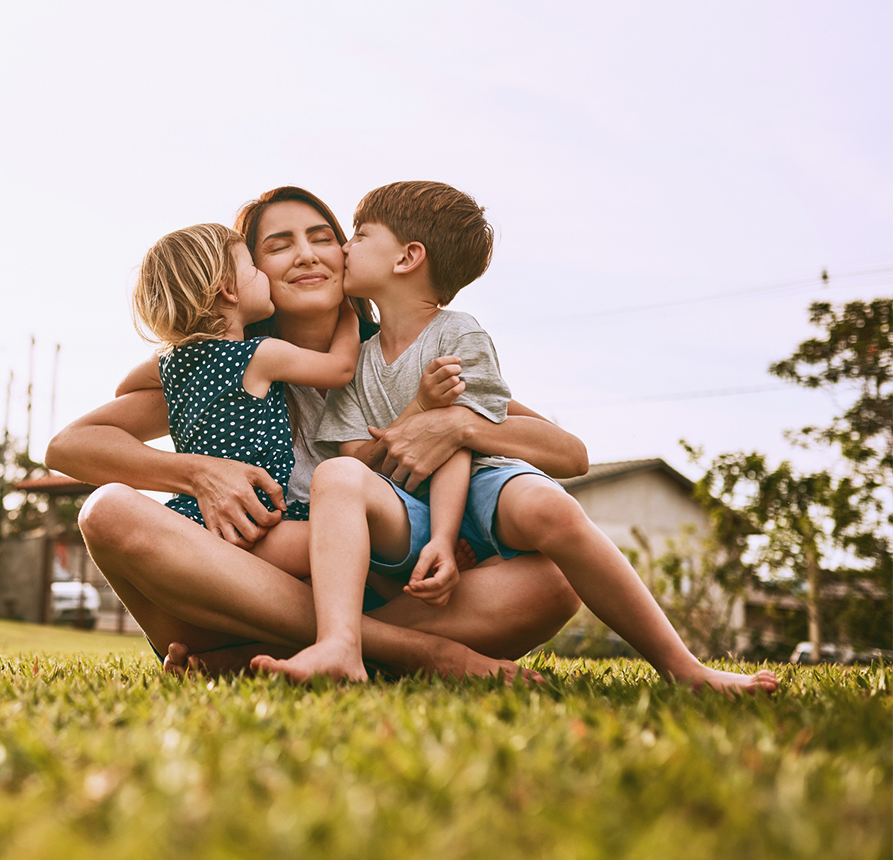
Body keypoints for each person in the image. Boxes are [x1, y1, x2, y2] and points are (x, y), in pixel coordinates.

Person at [251, 181, 778, 695]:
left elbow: (498, 444)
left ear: (407, 258)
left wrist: (448, 504)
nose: (340, 249)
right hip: (399, 519)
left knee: (552, 511)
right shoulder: (340, 364)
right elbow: (359, 464)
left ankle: (680, 663)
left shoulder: (456, 336)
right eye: (279, 245)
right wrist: (421, 417)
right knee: (336, 474)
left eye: (352, 236)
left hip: (476, 482)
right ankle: (351, 647)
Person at [46, 186, 588, 681]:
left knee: (553, 583)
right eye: (279, 246)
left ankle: (272, 654)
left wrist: (456, 422)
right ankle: (412, 653)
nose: (307, 254)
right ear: (243, 275)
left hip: (391, 593)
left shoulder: (407, 357)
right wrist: (196, 472)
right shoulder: (229, 367)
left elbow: (569, 454)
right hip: (232, 595)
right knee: (107, 510)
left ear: (347, 256)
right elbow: (71, 445)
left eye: (324, 238)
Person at [124, 221, 358, 575]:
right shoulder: (259, 355)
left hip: (193, 518)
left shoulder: (174, 363)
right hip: (257, 524)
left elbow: (124, 388)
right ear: (228, 290)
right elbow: (340, 369)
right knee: (357, 548)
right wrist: (349, 317)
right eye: (252, 266)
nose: (261, 274)